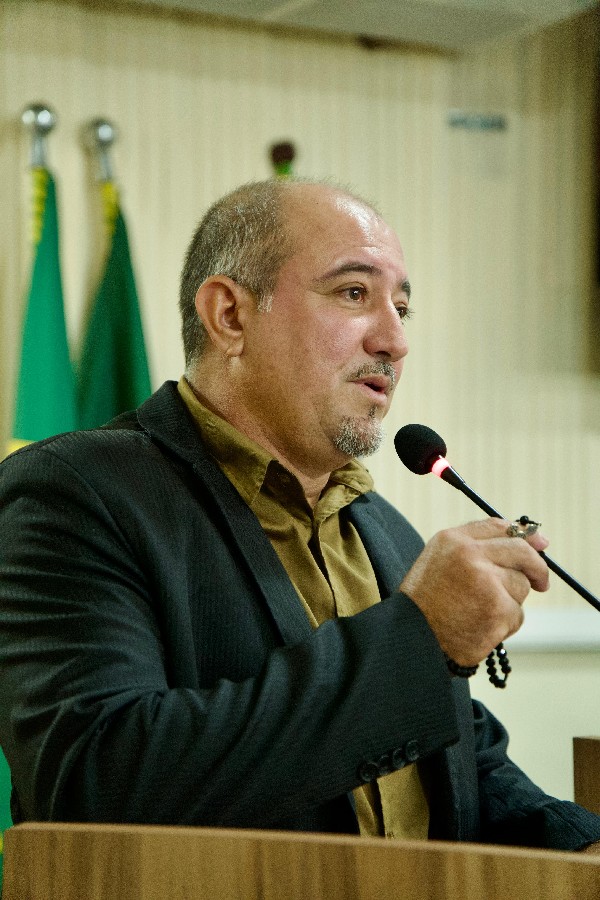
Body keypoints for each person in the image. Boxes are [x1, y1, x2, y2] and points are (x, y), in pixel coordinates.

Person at [0, 178, 599, 850]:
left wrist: (580, 843)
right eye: (354, 293)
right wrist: (420, 640)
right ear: (230, 315)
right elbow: (95, 779)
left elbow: (459, 761)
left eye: (402, 308)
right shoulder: (74, 495)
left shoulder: (384, 531)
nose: (394, 341)